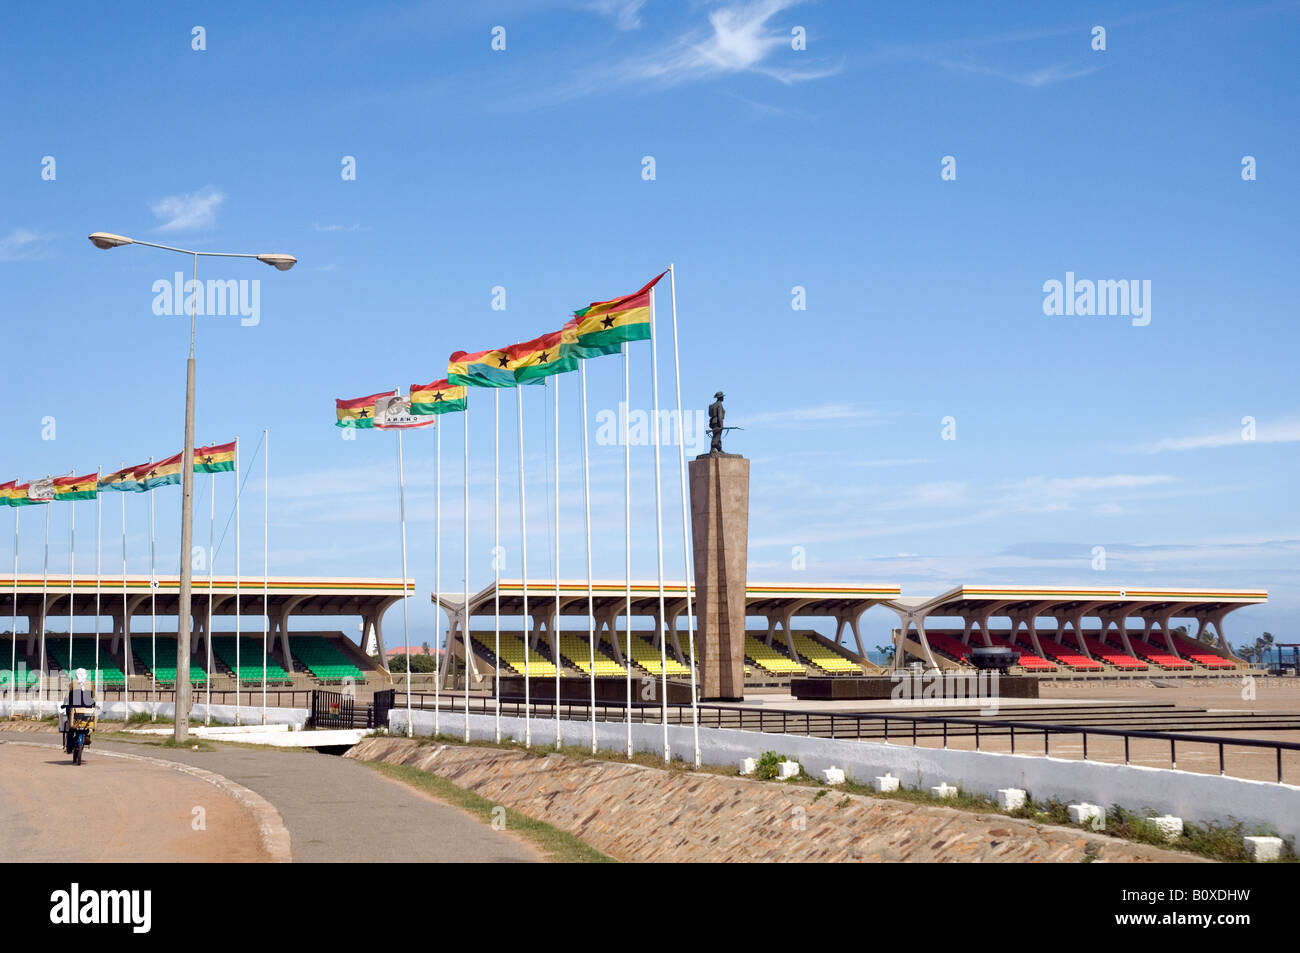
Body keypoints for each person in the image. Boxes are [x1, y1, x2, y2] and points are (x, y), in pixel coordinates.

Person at [60, 668, 96, 755]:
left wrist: (64, 704)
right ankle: (87, 735)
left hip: (74, 711)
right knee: (87, 724)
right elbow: (94, 696)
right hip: (86, 711)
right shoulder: (90, 683)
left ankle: (69, 747)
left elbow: (67, 696)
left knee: (71, 727)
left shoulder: (73, 683)